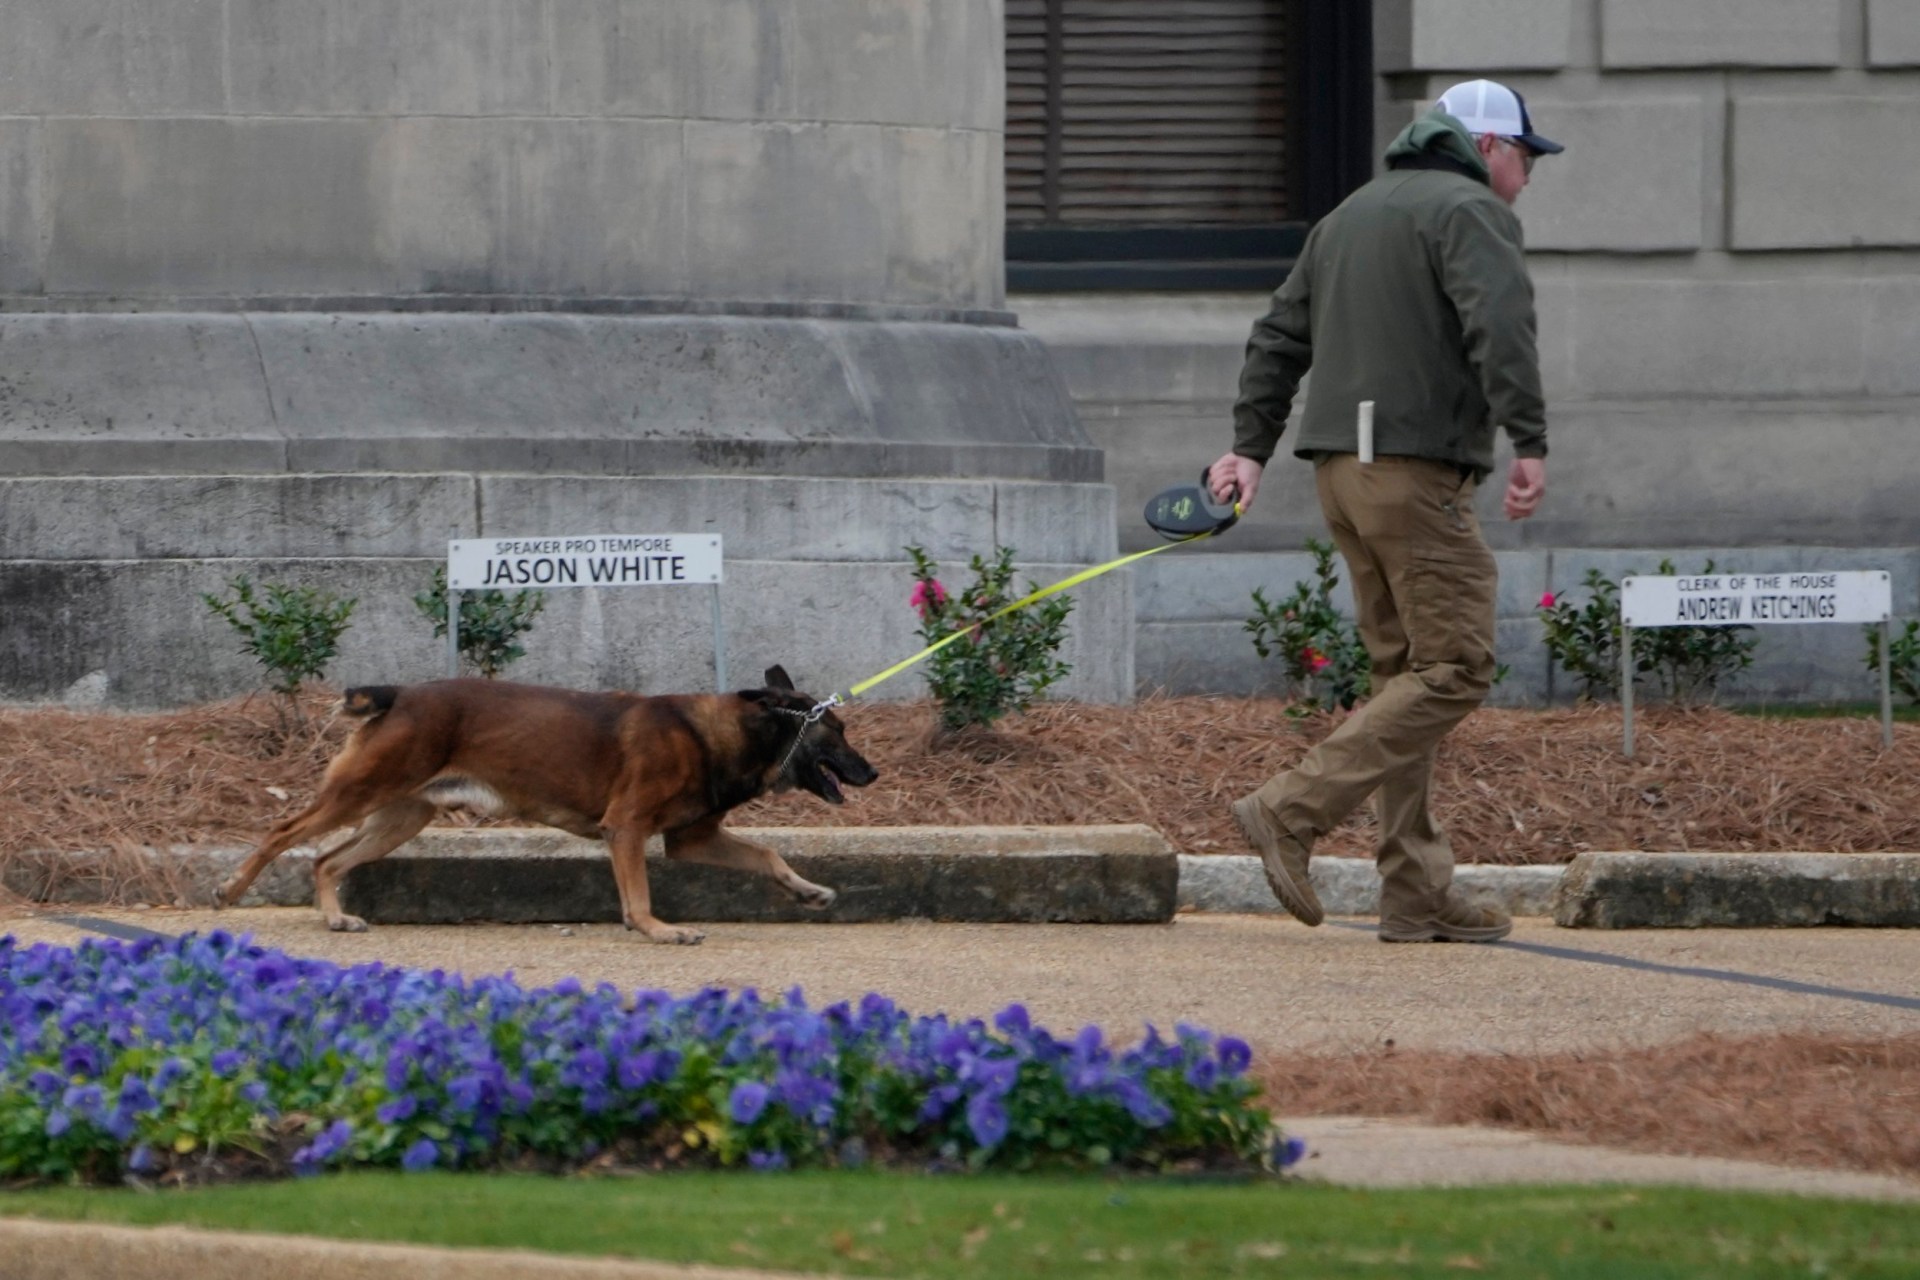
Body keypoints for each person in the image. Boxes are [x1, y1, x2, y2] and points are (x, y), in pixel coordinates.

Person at [1206, 78, 1561, 943]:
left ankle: (1416, 889)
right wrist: (1531, 438)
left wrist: (1249, 447)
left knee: (1405, 677)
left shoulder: (1351, 213)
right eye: (1522, 154)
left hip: (1341, 473)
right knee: (1457, 669)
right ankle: (1292, 809)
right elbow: (1500, 323)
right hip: (1413, 474)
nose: (1527, 174)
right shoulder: (1469, 212)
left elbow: (1278, 334)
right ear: (1483, 147)